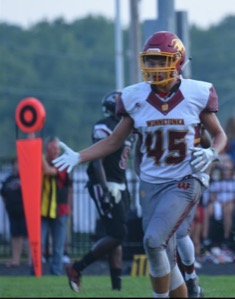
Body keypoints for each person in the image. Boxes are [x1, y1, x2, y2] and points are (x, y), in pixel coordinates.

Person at [52, 31, 227, 297]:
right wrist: (79, 156)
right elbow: (113, 142)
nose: (155, 68)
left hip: (185, 179)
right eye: (151, 61)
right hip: (150, 184)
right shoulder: (135, 97)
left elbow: (220, 134)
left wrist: (213, 152)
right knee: (162, 252)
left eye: (162, 61)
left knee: (154, 240)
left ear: (178, 61)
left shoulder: (196, 93)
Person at [65, 91, 134, 291]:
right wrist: (105, 189)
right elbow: (97, 161)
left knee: (116, 236)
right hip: (104, 184)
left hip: (120, 184)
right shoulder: (104, 125)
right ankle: (77, 267)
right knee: (118, 233)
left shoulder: (127, 126)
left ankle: (116, 289)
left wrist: (124, 186)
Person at [41, 136, 72, 275]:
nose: (56, 151)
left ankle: (56, 272)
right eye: (53, 148)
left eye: (57, 149)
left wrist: (39, 157)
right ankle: (36, 271)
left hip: (60, 210)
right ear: (47, 149)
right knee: (40, 242)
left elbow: (49, 171)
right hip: (43, 210)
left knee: (58, 246)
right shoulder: (42, 162)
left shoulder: (61, 164)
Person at [1, 158, 29, 267]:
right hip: (13, 213)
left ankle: (31, 261)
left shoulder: (27, 177)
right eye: (16, 164)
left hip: (25, 212)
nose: (17, 166)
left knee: (27, 237)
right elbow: (3, 194)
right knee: (15, 236)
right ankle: (15, 260)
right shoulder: (9, 179)